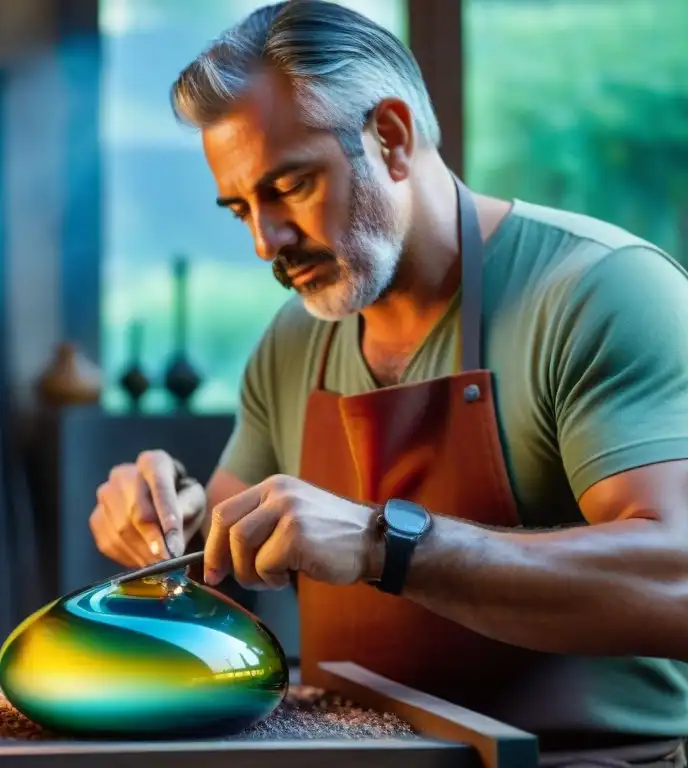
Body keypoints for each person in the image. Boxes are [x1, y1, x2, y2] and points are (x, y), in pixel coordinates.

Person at [89, 1, 688, 765]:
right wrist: (167, 515)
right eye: (241, 208)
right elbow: (218, 565)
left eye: (290, 187)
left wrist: (385, 545)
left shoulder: (598, 292)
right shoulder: (296, 338)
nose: (264, 242)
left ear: (392, 139)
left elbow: (678, 582)